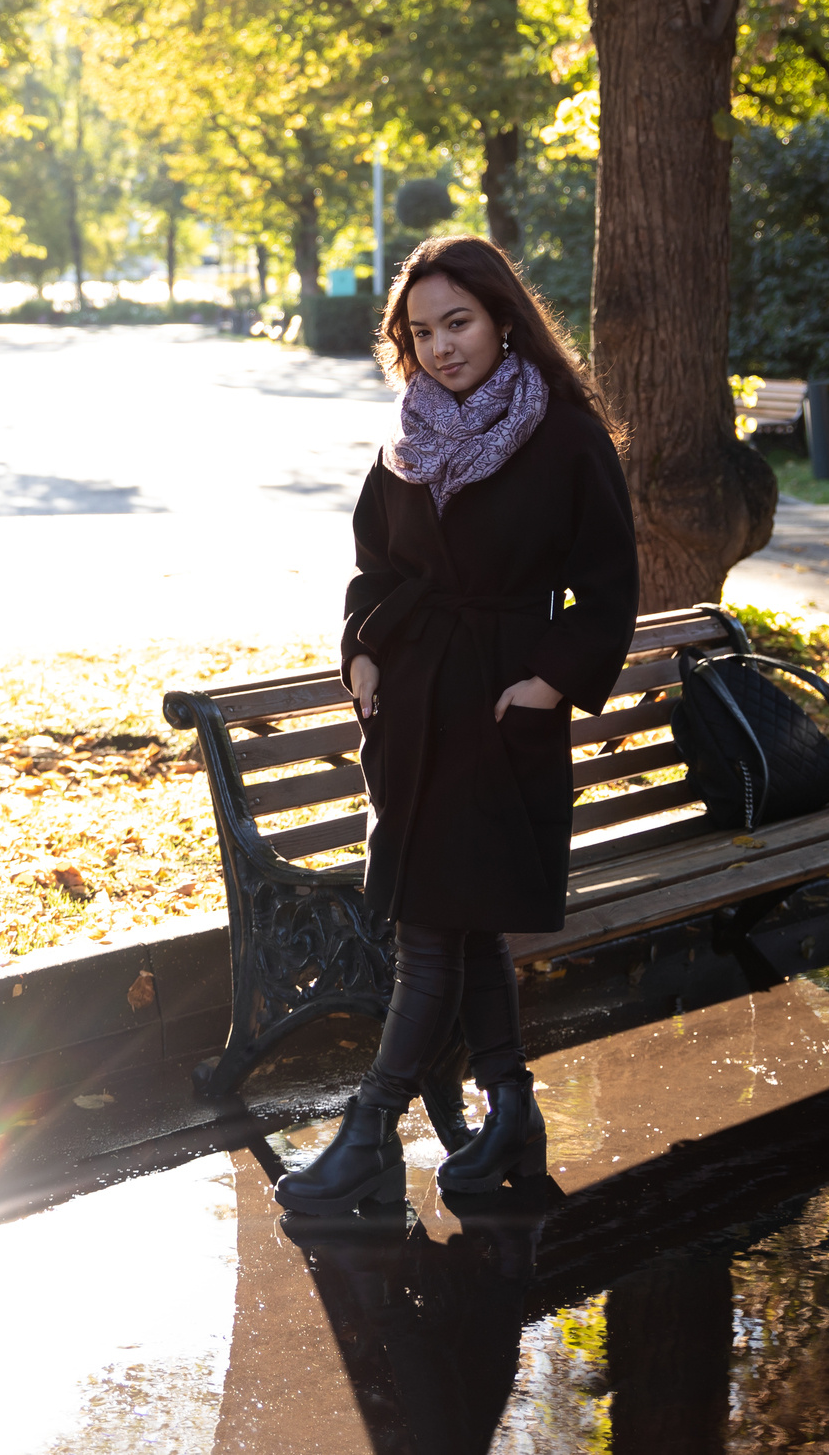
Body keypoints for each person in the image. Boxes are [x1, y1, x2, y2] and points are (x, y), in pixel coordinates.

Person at [275, 233, 637, 1216]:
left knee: (431, 933)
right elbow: (374, 567)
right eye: (421, 331)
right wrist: (359, 648)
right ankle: (510, 1111)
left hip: (497, 710)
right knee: (462, 929)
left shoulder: (561, 434)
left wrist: (551, 682)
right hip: (410, 717)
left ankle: (367, 1133)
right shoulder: (406, 439)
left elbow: (607, 589)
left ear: (502, 317)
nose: (439, 346)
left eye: (457, 323)